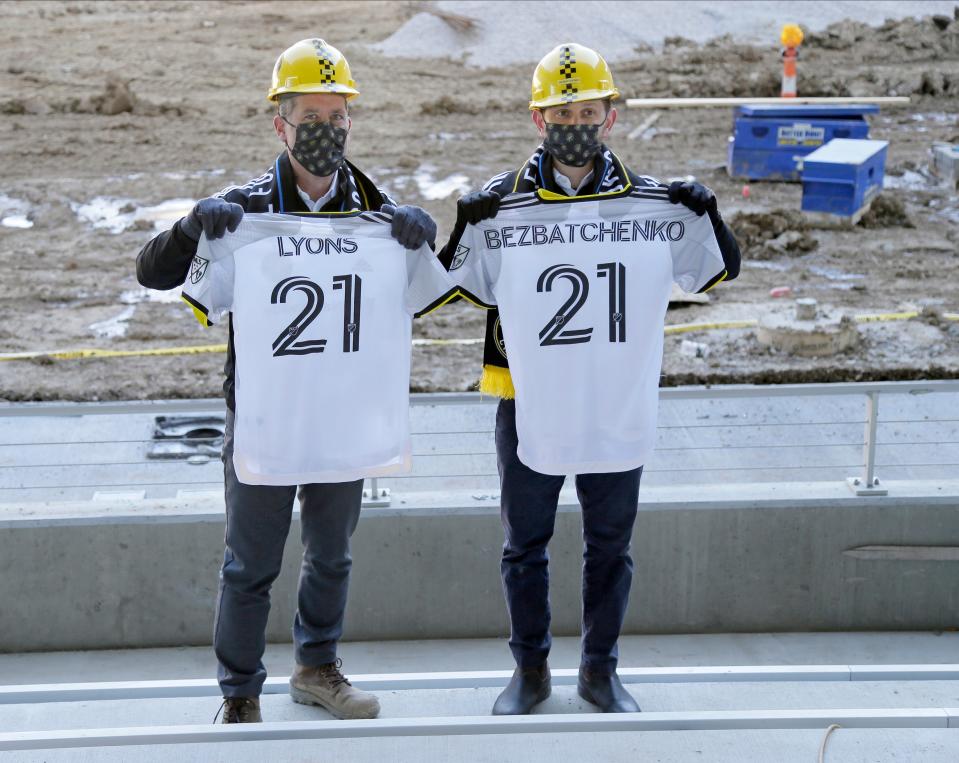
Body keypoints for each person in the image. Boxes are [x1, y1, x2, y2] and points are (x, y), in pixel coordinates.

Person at [136, 39, 437, 724]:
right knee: (250, 564)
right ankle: (239, 690)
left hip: (342, 416)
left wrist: (424, 236)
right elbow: (150, 273)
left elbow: (429, 289)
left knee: (331, 555)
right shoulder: (243, 212)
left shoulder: (377, 213)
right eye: (310, 116)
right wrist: (189, 229)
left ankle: (317, 667)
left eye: (338, 115)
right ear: (281, 123)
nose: (325, 129)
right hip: (267, 416)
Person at [440, 43, 742, 715]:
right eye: (559, 112)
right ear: (535, 120)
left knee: (611, 544)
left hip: (611, 394)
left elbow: (717, 269)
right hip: (528, 396)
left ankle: (599, 671)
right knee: (524, 543)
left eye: (586, 109)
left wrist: (707, 213)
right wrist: (465, 221)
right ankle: (531, 670)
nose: (573, 122)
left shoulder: (650, 203)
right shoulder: (503, 205)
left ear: (610, 115)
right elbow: (442, 285)